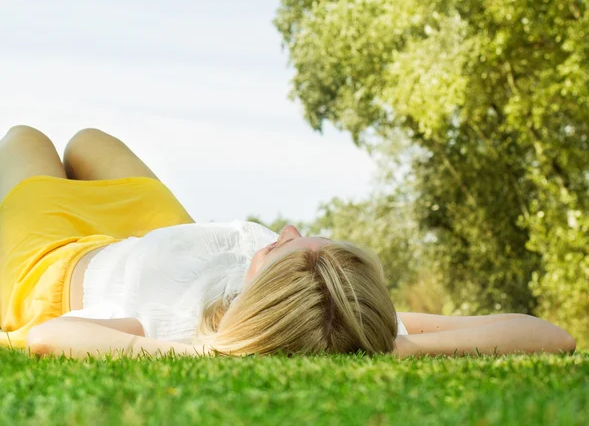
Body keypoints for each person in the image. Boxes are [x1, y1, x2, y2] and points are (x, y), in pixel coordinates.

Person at [0, 126, 576, 359]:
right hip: (163, 231)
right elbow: (552, 337)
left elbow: (50, 338)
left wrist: (207, 352)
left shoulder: (178, 328)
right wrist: (395, 345)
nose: (287, 231)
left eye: (284, 247)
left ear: (263, 288)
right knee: (87, 141)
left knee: (27, 138)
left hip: (54, 256)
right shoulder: (335, 310)